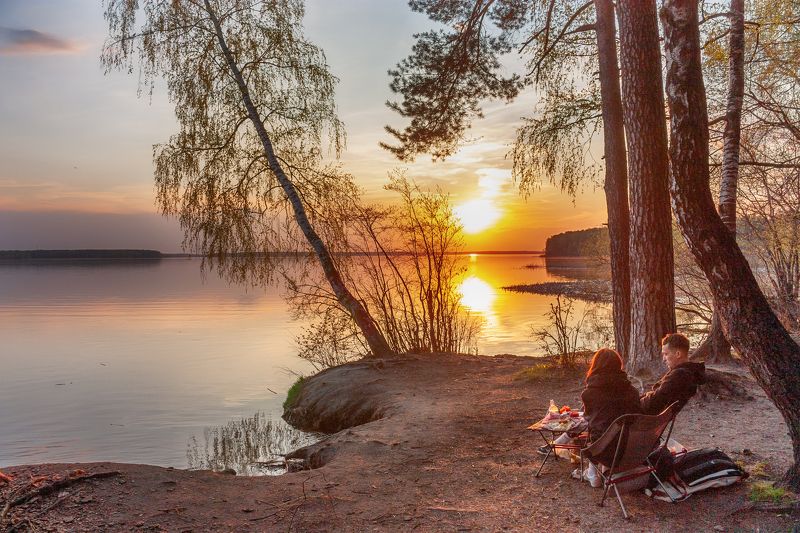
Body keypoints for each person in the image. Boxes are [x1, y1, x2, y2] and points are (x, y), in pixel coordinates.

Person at [539, 348, 641, 487]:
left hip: (605, 450)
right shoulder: (632, 392)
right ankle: (558, 447)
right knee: (600, 426)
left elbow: (589, 421)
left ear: (596, 366)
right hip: (634, 448)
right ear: (619, 366)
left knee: (592, 427)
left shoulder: (590, 393)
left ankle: (592, 474)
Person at [640, 333, 706, 416]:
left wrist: (634, 403)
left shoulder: (680, 374)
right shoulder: (688, 372)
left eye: (666, 354)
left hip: (640, 418)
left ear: (678, 354)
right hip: (651, 416)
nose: (663, 359)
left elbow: (654, 402)